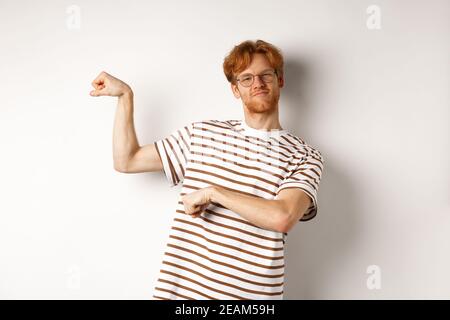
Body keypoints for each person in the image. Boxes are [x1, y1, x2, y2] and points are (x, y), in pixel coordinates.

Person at [90, 39, 324, 300]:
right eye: (246, 79)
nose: (257, 83)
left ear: (279, 80)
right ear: (235, 89)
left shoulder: (305, 155)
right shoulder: (202, 134)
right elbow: (127, 160)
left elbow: (283, 217)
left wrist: (213, 193)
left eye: (265, 75)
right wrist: (125, 96)